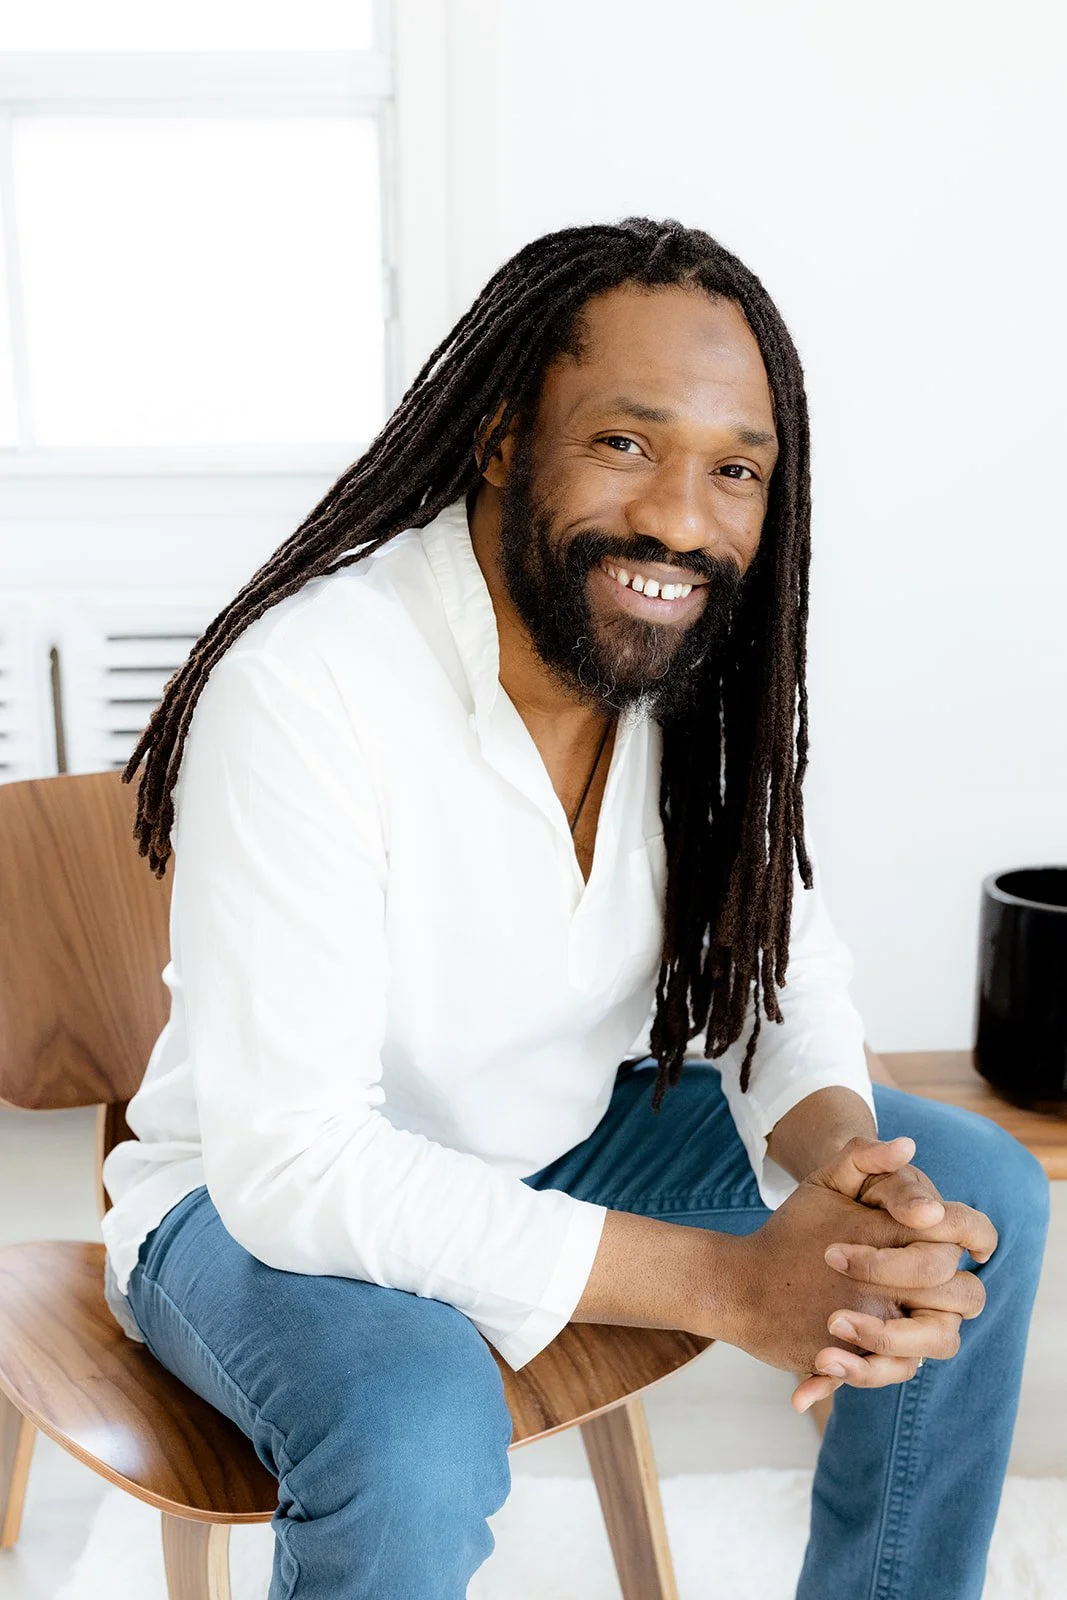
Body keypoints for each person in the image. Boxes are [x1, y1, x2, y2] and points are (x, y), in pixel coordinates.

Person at [102, 218, 1049, 1599]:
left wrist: (850, 1168)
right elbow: (298, 1161)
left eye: (734, 470)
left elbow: (782, 982)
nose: (681, 519)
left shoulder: (689, 670)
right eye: (624, 442)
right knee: (416, 1421)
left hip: (560, 1144)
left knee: (969, 1196)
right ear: (501, 437)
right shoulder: (309, 683)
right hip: (254, 1204)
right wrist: (730, 1284)